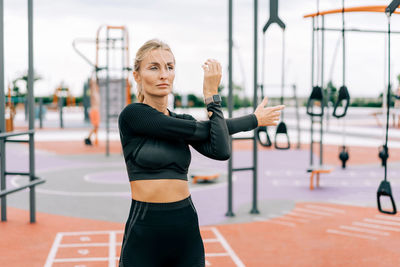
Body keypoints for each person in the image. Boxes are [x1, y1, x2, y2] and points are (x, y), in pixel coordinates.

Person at [118, 39, 284, 267]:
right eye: (153, 67)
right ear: (137, 76)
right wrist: (252, 119)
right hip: (145, 230)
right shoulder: (133, 116)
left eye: (169, 67)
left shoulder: (182, 121)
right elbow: (203, 129)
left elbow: (221, 149)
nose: (163, 74)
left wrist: (211, 96)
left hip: (185, 226)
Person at [85, 75, 100, 146]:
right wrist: (93, 73)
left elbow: (95, 83)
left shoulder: (96, 92)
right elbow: (92, 83)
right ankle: (88, 138)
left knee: (96, 126)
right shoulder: (93, 92)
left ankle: (94, 139)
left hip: (96, 111)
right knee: (95, 126)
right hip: (94, 111)